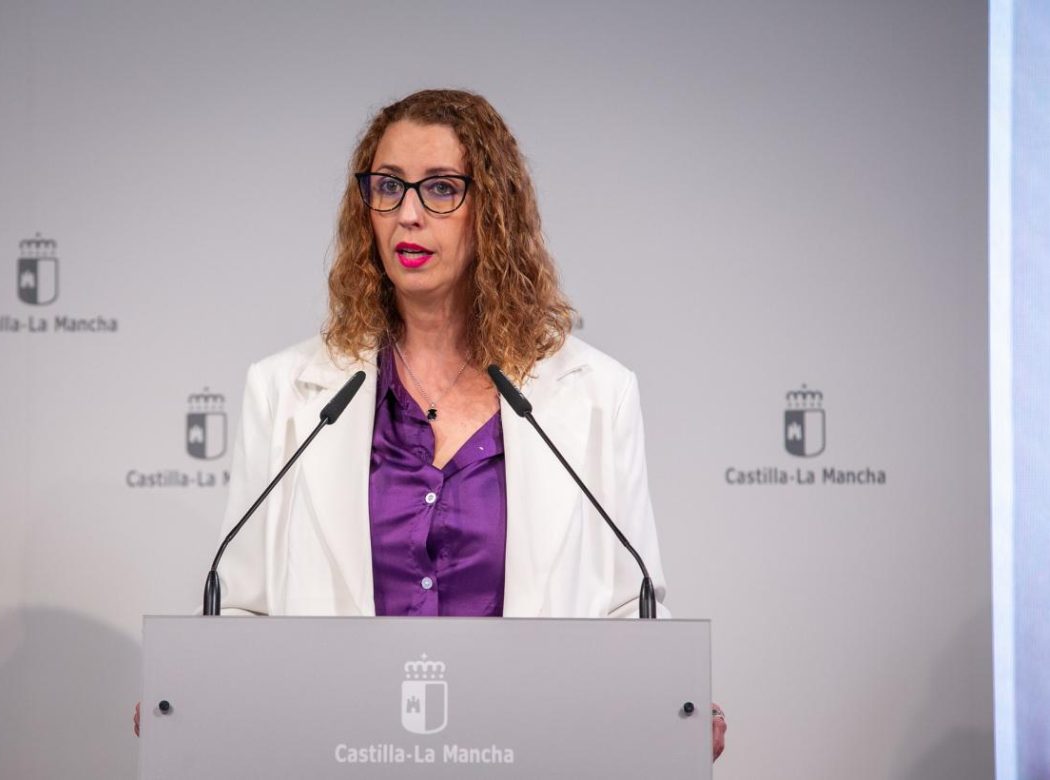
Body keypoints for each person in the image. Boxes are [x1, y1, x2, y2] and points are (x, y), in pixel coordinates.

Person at [140, 89, 726, 759]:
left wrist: (668, 705)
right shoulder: (284, 392)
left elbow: (632, 605)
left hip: (528, 757)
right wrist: (193, 694)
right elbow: (238, 605)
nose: (408, 215)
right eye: (388, 187)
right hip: (339, 757)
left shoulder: (596, 394)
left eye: (442, 188)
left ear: (494, 211)